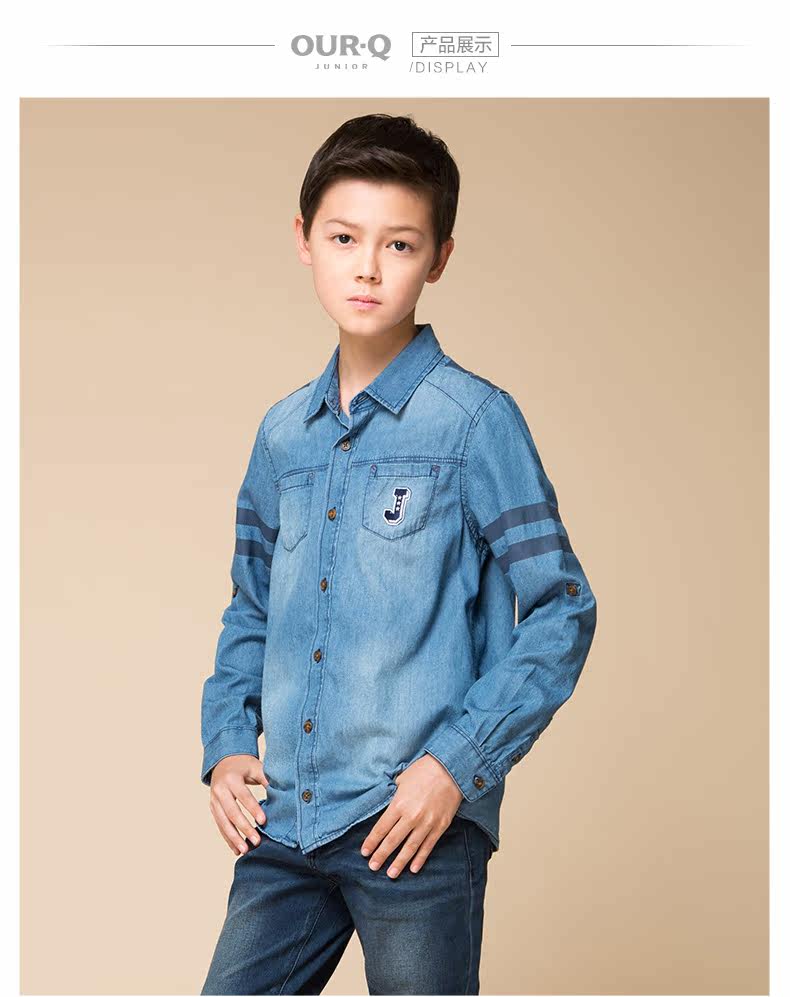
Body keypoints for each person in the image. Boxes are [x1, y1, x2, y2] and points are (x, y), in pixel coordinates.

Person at [199, 112, 597, 996]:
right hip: (288, 824)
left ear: (439, 257)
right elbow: (251, 605)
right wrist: (227, 744)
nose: (368, 268)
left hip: (412, 829)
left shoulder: (475, 422)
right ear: (304, 239)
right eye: (345, 237)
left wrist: (456, 764)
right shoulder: (281, 437)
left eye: (401, 244)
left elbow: (563, 606)